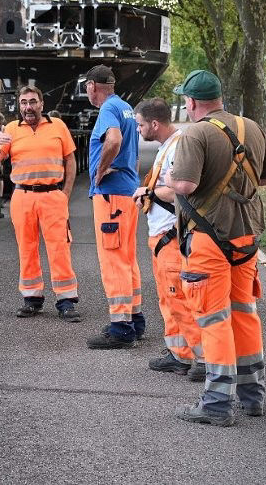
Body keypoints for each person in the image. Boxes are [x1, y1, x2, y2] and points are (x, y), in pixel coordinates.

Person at [166, 70, 266, 426]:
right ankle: (252, 396)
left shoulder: (195, 133)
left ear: (191, 102)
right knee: (244, 313)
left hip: (208, 239)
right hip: (246, 238)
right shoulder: (252, 128)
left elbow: (184, 185)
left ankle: (216, 404)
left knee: (213, 318)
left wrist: (169, 178)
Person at [0, 86, 81, 322]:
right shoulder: (11, 129)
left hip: (52, 196)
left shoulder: (57, 126)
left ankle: (66, 301)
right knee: (26, 249)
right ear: (19, 105)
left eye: (32, 102)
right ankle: (32, 299)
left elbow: (70, 160)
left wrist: (66, 193)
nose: (28, 107)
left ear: (41, 104)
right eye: (23, 102)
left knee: (59, 248)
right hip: (23, 196)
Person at [131, 98, 204, 381]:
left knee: (180, 300)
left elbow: (182, 190)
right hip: (161, 236)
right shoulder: (169, 146)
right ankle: (179, 354)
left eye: (140, 125)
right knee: (169, 300)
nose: (138, 130)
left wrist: (150, 193)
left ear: (154, 124)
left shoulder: (178, 148)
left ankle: (204, 359)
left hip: (171, 236)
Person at [83, 64, 144, 349]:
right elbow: (134, 153)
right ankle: (134, 319)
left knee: (113, 260)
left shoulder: (108, 109)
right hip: (127, 193)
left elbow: (115, 140)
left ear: (92, 86)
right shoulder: (126, 108)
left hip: (111, 196)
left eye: (86, 87)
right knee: (128, 258)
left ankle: (121, 328)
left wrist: (99, 172)